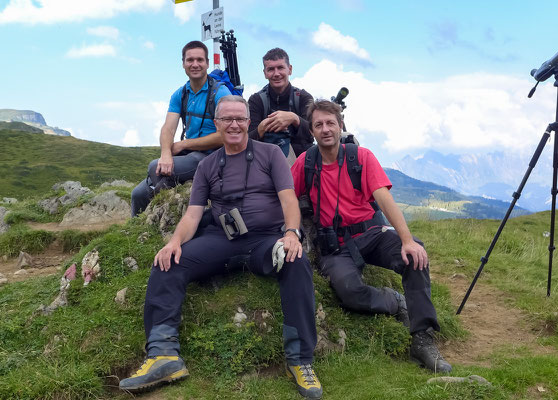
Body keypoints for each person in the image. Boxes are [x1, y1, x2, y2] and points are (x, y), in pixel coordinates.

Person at [119, 96, 322, 399]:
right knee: (169, 262)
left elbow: (288, 199)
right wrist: (174, 242)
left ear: (248, 122)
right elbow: (193, 214)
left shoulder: (270, 155)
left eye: (240, 118)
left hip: (266, 239)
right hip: (221, 240)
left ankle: (300, 360)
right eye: (227, 119)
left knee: (294, 261)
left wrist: (291, 233)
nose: (234, 124)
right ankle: (163, 356)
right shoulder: (208, 166)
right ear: (217, 124)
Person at [291, 100, 452, 374]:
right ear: (311, 131)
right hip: (335, 246)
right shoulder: (305, 163)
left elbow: (383, 197)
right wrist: (289, 232)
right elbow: (287, 198)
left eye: (331, 123)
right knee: (350, 292)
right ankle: (394, 301)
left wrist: (407, 240)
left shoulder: (361, 157)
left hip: (371, 234)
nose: (325, 129)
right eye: (318, 124)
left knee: (415, 257)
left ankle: (422, 339)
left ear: (341, 126)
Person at [130, 40, 231, 217]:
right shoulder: (180, 94)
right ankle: (135, 235)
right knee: (137, 194)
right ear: (183, 63)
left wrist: (184, 144)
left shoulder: (220, 94)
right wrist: (166, 154)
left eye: (200, 60)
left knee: (154, 166)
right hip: (190, 155)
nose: (195, 64)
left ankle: (166, 206)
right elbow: (168, 129)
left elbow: (227, 135)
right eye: (190, 60)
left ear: (207, 63)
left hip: (213, 156)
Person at [248, 48, 314, 161]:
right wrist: (262, 129)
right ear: (265, 73)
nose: (276, 74)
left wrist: (294, 119)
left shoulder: (304, 98)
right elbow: (247, 140)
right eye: (271, 69)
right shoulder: (256, 101)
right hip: (265, 160)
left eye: (280, 68)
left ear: (290, 69)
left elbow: (313, 133)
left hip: (302, 162)